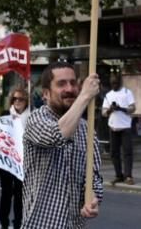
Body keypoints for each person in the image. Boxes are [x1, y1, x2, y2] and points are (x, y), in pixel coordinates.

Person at [22, 61, 102, 229]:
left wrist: (92, 197)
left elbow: (93, 176)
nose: (70, 89)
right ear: (46, 93)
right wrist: (85, 97)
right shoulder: (36, 119)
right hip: (41, 224)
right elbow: (57, 135)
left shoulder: (87, 129)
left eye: (73, 83)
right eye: (61, 84)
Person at [0, 88, 29, 229]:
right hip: (7, 161)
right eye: (15, 99)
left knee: (19, 194)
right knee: (6, 193)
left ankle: (18, 223)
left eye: (20, 99)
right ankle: (3, 223)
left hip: (23, 161)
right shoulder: (5, 115)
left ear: (26, 101)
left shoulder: (32, 116)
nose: (17, 102)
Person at [102, 74, 136, 185]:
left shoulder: (127, 92)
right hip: (113, 127)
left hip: (125, 126)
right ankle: (118, 175)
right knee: (114, 153)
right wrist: (110, 110)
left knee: (127, 152)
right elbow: (104, 112)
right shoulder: (108, 95)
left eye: (116, 83)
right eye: (112, 83)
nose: (114, 85)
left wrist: (121, 108)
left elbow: (132, 108)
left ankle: (128, 176)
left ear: (120, 82)